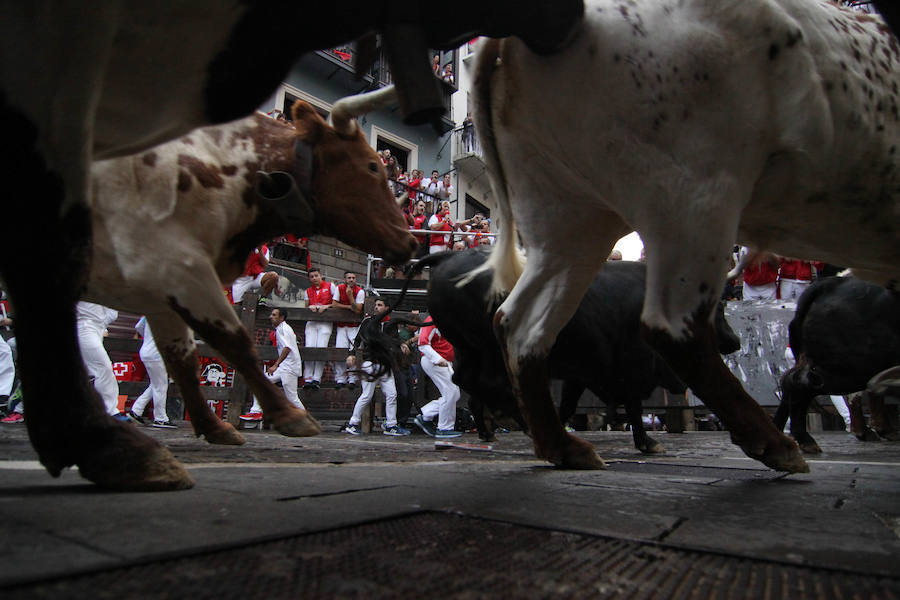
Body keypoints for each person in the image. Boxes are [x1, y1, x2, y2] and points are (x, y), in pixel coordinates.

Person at [341, 299, 411, 436]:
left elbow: (395, 340)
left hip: (385, 364)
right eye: (376, 305)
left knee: (392, 395)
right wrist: (351, 354)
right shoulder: (368, 322)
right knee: (367, 395)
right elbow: (357, 340)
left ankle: (391, 425)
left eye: (380, 305)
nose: (376, 307)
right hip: (370, 363)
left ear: (387, 308)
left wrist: (402, 344)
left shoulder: (390, 324)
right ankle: (353, 423)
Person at [240, 308, 305, 421]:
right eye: (271, 314)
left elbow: (287, 348)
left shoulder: (284, 329)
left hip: (289, 367)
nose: (271, 317)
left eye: (274, 315)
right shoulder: (280, 329)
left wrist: (275, 365)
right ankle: (256, 412)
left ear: (281, 318)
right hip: (284, 366)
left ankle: (305, 419)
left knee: (292, 397)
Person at [76, 301, 130, 421]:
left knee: (91, 371)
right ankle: (110, 412)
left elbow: (113, 312)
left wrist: (100, 324)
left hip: (94, 327)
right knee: (103, 367)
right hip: (84, 326)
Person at [413, 317, 462, 438]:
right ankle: (444, 428)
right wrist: (437, 359)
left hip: (444, 361)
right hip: (434, 361)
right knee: (450, 392)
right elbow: (423, 344)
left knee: (454, 394)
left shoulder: (446, 321)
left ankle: (426, 415)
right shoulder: (431, 320)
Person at [128, 316, 175, 428]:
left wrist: (148, 338)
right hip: (157, 353)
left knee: (156, 383)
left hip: (145, 351)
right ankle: (160, 418)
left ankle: (136, 410)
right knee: (161, 386)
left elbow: (138, 326)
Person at [302, 267, 337, 390]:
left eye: (316, 275)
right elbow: (306, 306)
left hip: (325, 321)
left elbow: (336, 303)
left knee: (321, 348)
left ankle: (317, 378)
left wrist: (327, 306)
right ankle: (308, 378)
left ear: (321, 275)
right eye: (312, 277)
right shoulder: (307, 291)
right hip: (312, 322)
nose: (314, 278)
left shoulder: (330, 286)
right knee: (310, 347)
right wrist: (310, 307)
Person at [332, 271, 365, 389]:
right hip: (341, 325)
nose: (351, 280)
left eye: (353, 278)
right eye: (349, 278)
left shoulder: (360, 291)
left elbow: (358, 310)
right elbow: (334, 304)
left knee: (354, 351)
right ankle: (340, 378)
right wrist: (349, 307)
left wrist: (351, 297)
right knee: (340, 350)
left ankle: (352, 379)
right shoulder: (339, 288)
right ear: (345, 279)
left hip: (354, 326)